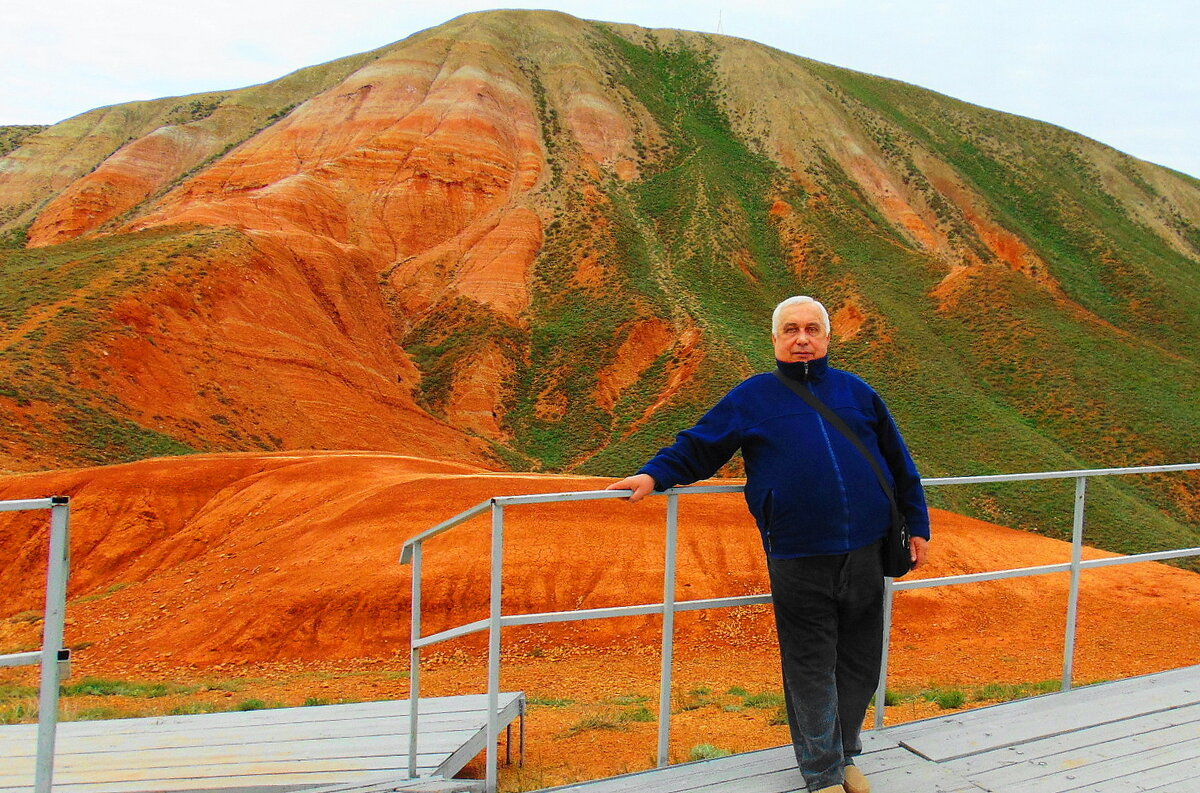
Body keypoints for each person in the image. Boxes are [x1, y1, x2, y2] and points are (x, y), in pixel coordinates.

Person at [606, 295, 930, 793]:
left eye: (812, 329)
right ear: (775, 340)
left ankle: (844, 754)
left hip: (868, 546)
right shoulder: (753, 397)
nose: (802, 339)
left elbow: (899, 461)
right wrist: (655, 474)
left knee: (861, 663)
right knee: (810, 663)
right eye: (791, 330)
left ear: (826, 337)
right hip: (798, 552)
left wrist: (919, 525)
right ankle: (822, 773)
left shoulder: (856, 392)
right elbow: (700, 444)